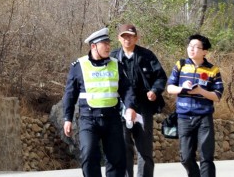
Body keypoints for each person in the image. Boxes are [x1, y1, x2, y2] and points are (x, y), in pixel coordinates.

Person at [62, 27, 133, 177]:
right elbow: (70, 94)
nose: (108, 47)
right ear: (93, 46)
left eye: (109, 43)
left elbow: (127, 89)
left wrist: (130, 107)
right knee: (88, 155)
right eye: (104, 44)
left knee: (116, 159)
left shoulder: (116, 64)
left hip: (112, 118)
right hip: (88, 119)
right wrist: (67, 118)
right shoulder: (78, 66)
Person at [109, 24, 167, 177]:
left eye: (130, 36)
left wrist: (155, 91)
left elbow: (160, 77)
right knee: (123, 147)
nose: (127, 39)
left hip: (143, 106)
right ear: (119, 39)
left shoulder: (147, 55)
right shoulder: (112, 57)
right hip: (120, 107)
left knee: (144, 149)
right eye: (124, 36)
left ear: (136, 37)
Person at [166, 34, 224, 177]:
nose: (191, 49)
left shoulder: (213, 70)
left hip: (204, 116)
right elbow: (169, 88)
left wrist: (200, 91)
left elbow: (217, 95)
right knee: (185, 157)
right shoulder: (180, 65)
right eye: (190, 46)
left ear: (204, 51)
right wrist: (182, 88)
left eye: (196, 47)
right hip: (184, 117)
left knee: (206, 156)